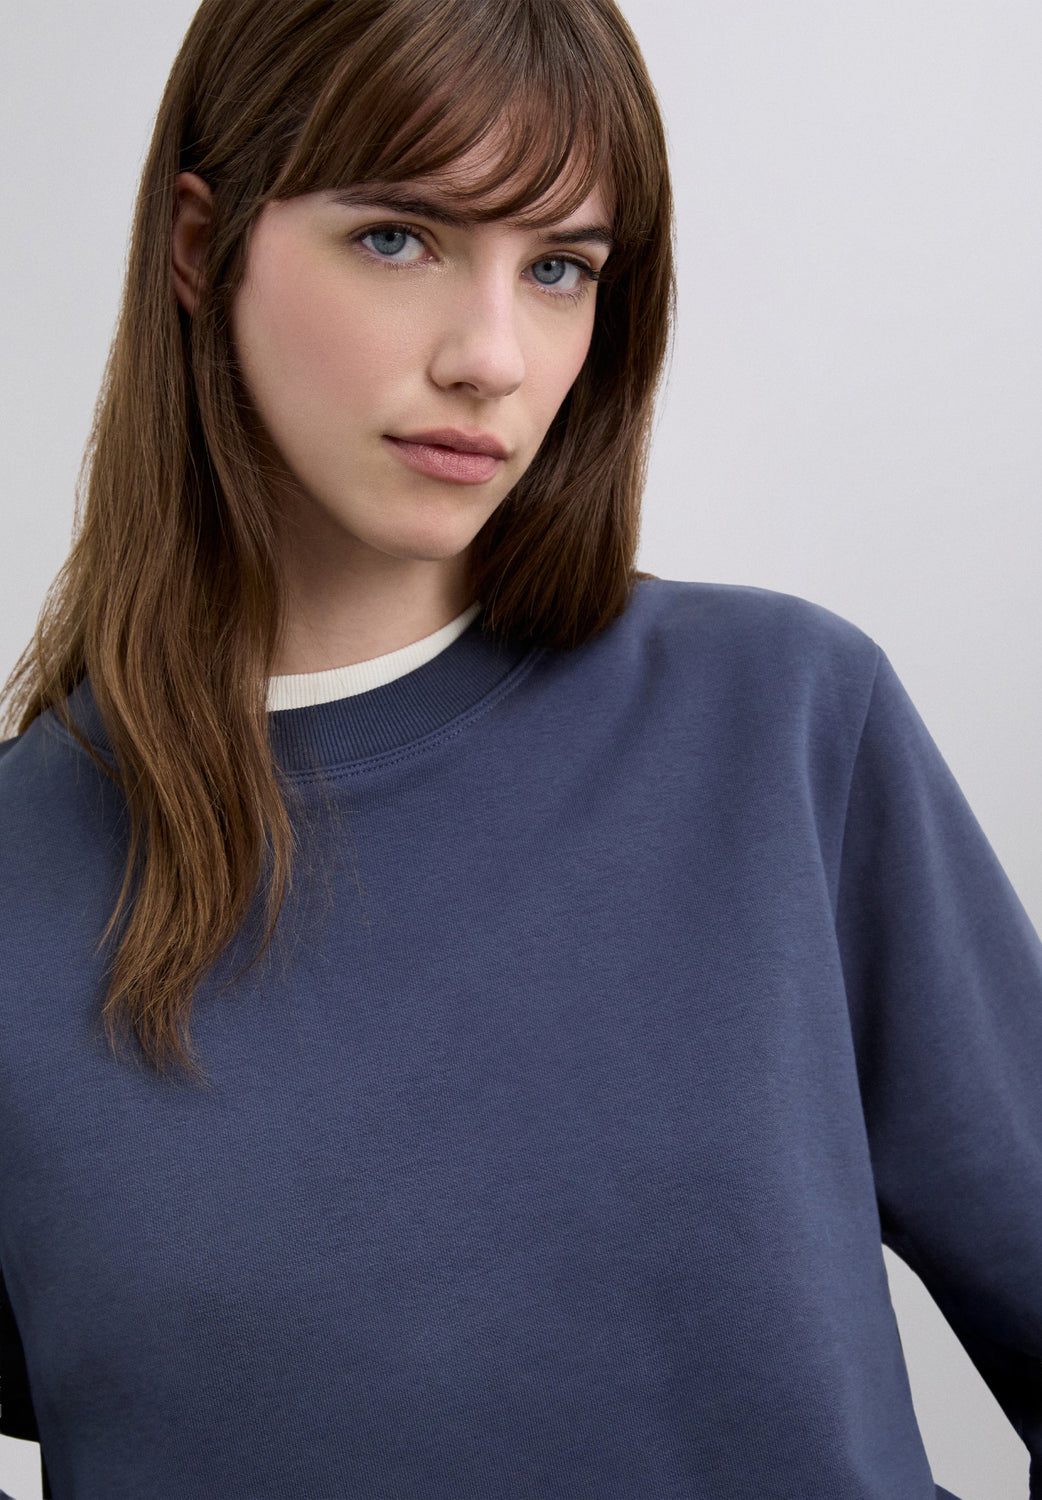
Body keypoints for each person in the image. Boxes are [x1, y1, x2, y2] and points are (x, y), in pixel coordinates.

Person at [0, 0, 1039, 1495]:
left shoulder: (781, 725)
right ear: (198, 246)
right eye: (398, 238)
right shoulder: (23, 879)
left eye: (559, 268)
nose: (492, 357)